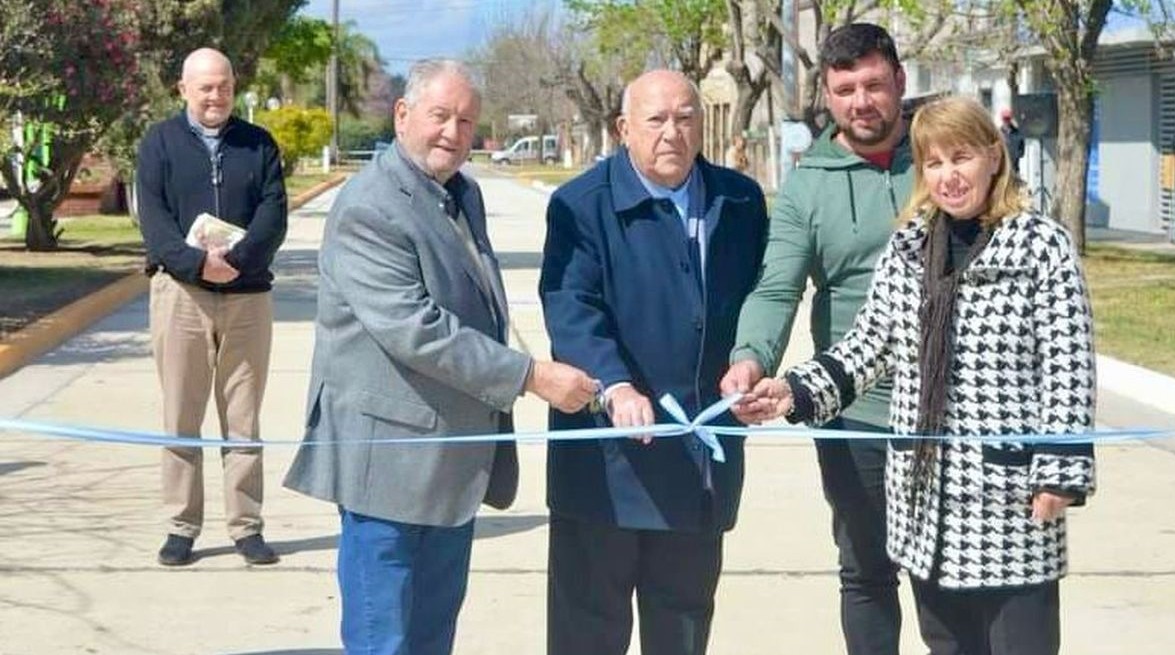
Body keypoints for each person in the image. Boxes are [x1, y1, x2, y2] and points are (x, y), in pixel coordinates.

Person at [745, 95, 1097, 655]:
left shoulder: (1041, 246)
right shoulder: (907, 248)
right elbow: (866, 348)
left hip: (1009, 503)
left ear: (992, 156)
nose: (948, 176)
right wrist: (791, 391)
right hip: (926, 503)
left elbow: (1068, 369)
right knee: (947, 645)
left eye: (961, 157)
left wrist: (1058, 472)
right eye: (934, 163)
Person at [282, 59, 598, 655]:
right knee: (385, 641)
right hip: (388, 469)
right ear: (403, 115)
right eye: (440, 116)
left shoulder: (459, 192)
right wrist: (529, 376)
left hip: (451, 462)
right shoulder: (370, 206)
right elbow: (415, 329)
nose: (453, 132)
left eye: (466, 121)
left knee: (432, 640)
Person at [539, 69, 768, 655]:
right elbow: (571, 307)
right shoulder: (579, 206)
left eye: (686, 117)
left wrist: (752, 361)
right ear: (623, 129)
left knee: (683, 630)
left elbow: (764, 298)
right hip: (605, 467)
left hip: (699, 469)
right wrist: (614, 384)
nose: (673, 132)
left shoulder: (740, 202)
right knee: (588, 633)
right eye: (656, 119)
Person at [720, 22, 912, 655]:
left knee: (954, 581)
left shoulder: (945, 157)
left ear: (899, 83)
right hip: (854, 413)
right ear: (828, 98)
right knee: (867, 575)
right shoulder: (809, 182)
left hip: (950, 412)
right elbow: (778, 287)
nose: (862, 101)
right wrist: (750, 358)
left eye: (874, 84)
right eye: (846, 88)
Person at [135, 47, 287, 567]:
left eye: (223, 85)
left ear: (233, 86)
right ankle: (181, 526)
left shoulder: (258, 143)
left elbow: (274, 214)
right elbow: (153, 223)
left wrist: (236, 260)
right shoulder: (158, 143)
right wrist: (198, 265)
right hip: (181, 295)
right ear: (183, 90)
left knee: (243, 419)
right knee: (181, 416)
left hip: (247, 297)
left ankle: (247, 527)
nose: (215, 95)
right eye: (204, 87)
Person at [1000, 108, 1025, 174]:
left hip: (1014, 168)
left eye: (1008, 119)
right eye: (1005, 119)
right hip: (1002, 169)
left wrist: (1015, 155)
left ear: (1010, 119)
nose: (1006, 121)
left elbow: (1022, 151)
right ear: (1002, 119)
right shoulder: (998, 133)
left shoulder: (1017, 133)